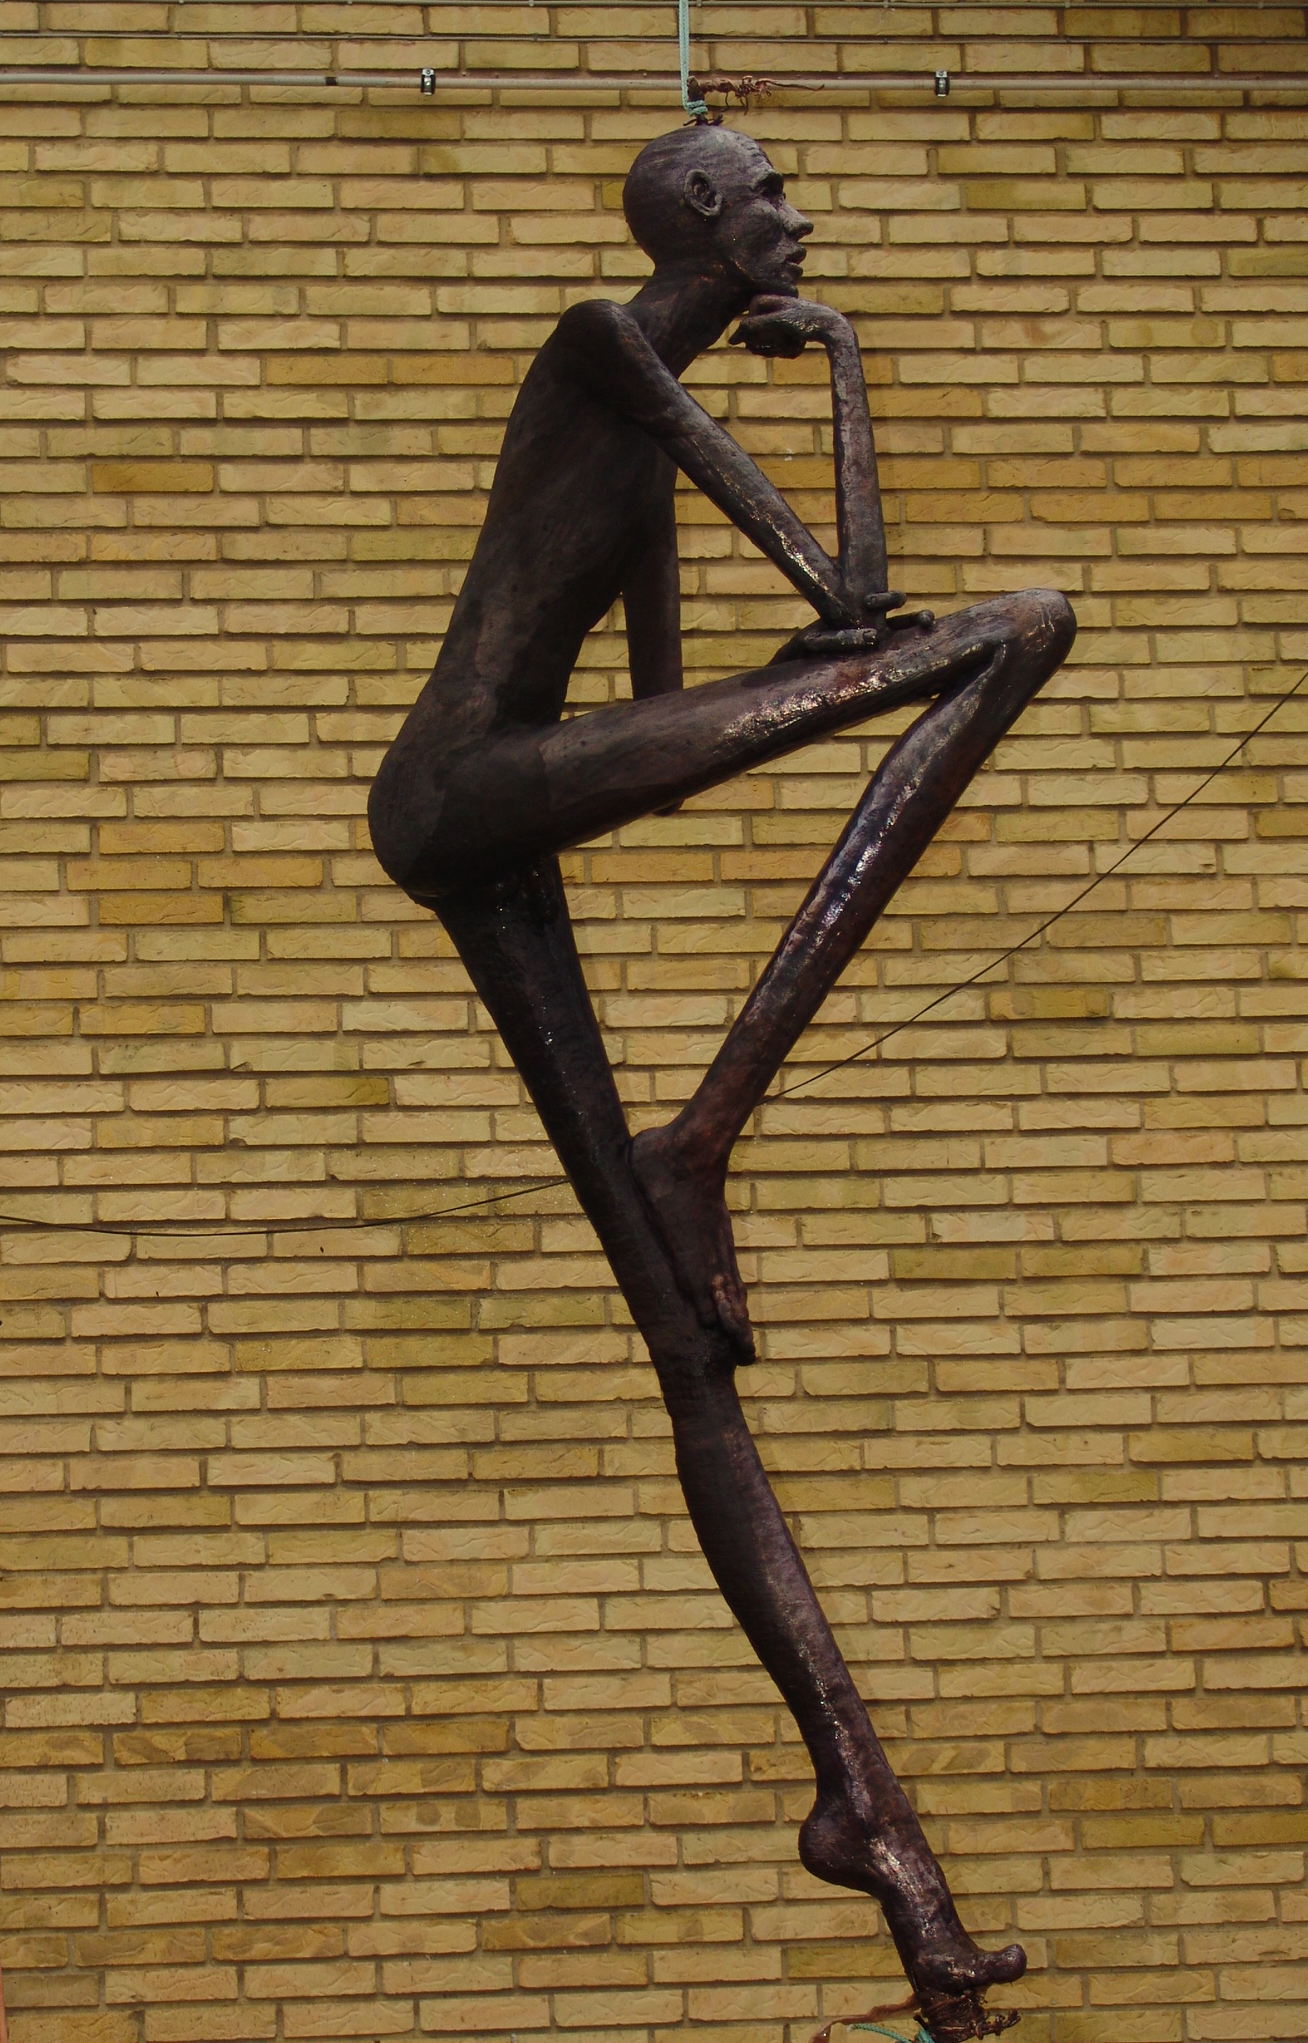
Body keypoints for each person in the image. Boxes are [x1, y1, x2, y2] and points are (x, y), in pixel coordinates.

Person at [370, 120, 1074, 2040]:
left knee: (687, 1353)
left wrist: (830, 370)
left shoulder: (645, 402)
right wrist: (828, 384)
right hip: (461, 791)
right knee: (1017, 630)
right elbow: (836, 594)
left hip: (500, 815)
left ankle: (879, 1835)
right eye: (769, 196)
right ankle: (707, 1131)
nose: (798, 217)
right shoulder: (602, 342)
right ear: (697, 216)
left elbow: (794, 627)